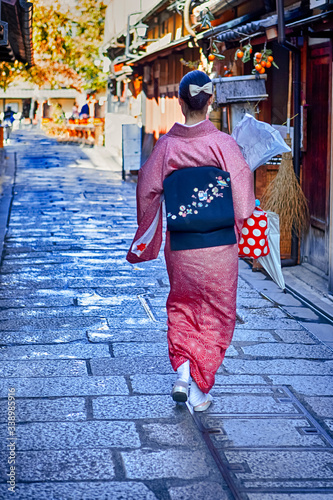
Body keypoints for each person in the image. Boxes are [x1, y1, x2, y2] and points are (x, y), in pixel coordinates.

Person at [127, 70, 255, 412]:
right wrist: (239, 229)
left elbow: (147, 190)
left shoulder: (166, 146)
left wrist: (151, 231)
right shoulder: (224, 144)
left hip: (181, 246)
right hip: (218, 246)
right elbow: (242, 203)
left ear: (180, 102)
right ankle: (198, 387)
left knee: (182, 306)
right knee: (217, 312)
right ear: (210, 102)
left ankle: (184, 372)